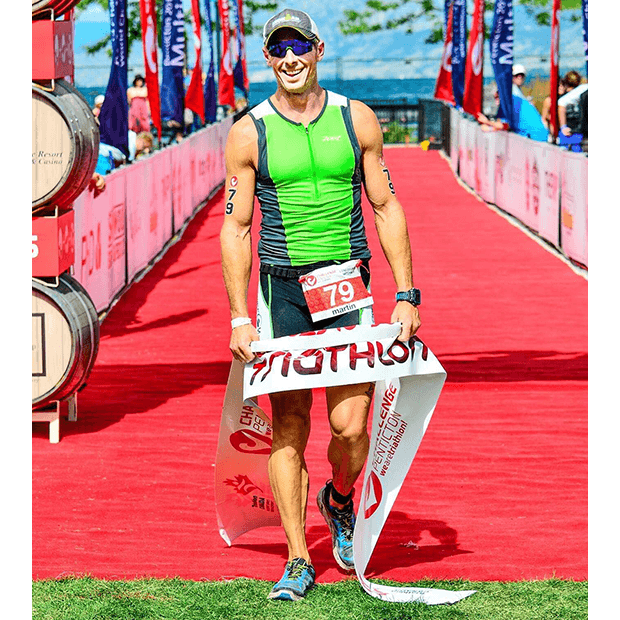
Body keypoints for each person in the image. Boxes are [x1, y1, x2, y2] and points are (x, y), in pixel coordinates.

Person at [219, 8, 421, 602]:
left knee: (351, 426)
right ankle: (297, 558)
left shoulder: (355, 118)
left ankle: (338, 497)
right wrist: (239, 315)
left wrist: (406, 294)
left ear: (318, 49)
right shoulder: (248, 131)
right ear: (268, 57)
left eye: (299, 46)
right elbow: (236, 227)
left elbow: (385, 206)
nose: (290, 58)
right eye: (278, 48)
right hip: (281, 290)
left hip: (346, 285)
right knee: (289, 424)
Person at [558, 70, 588, 152]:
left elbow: (561, 104)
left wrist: (563, 127)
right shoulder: (582, 90)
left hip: (574, 132)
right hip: (575, 132)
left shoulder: (579, 91)